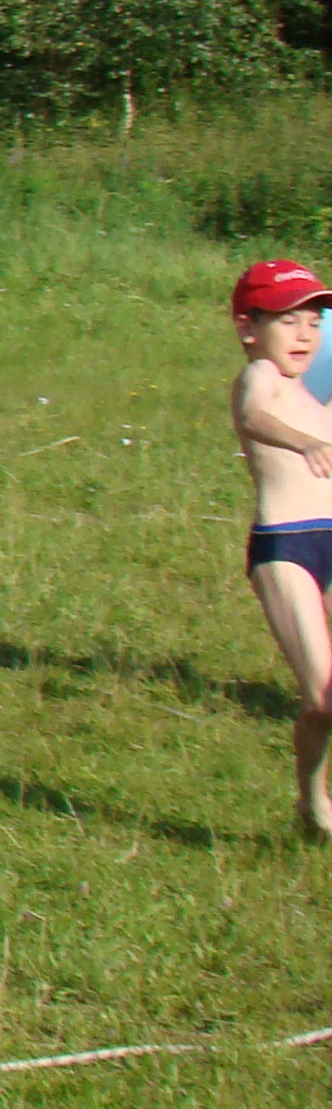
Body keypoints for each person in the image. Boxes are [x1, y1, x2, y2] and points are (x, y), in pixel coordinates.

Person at [227, 258, 332, 835]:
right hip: (287, 545)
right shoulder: (261, 376)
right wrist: (304, 443)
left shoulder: (318, 392)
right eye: (288, 320)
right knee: (322, 696)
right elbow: (253, 416)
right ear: (249, 327)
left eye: (314, 322)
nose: (305, 335)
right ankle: (312, 800)